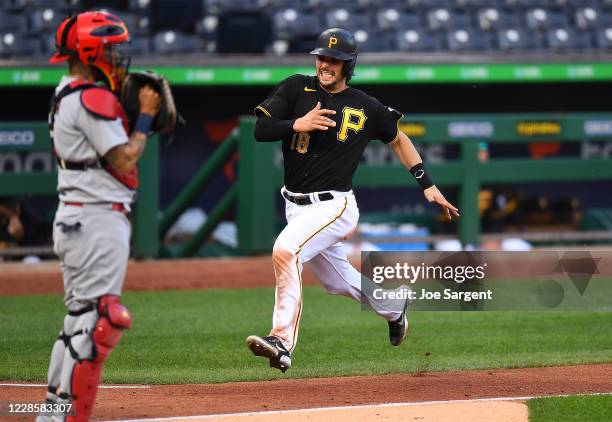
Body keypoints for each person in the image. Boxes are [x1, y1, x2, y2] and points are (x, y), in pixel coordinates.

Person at [246, 28, 459, 373]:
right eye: (322, 57)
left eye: (334, 60)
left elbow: (399, 141)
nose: (325, 64)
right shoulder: (295, 87)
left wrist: (427, 184)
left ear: (348, 65)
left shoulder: (366, 105)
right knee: (336, 281)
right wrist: (297, 123)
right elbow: (260, 130)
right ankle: (395, 305)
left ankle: (281, 342)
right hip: (295, 206)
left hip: (335, 205)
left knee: (286, 251)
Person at [38, 11, 160, 421]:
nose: (116, 55)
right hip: (96, 219)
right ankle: (71, 415)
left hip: (75, 216)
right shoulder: (93, 96)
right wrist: (144, 116)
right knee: (102, 320)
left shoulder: (65, 90)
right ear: (90, 51)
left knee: (79, 319)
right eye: (109, 48)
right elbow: (123, 156)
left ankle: (53, 412)